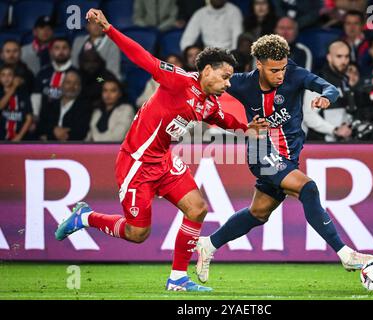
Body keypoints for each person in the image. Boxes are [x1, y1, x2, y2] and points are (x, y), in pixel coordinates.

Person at [55, 8, 268, 292]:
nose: (228, 83)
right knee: (137, 233)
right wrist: (108, 28)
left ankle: (177, 278)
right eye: (225, 76)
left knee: (197, 209)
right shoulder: (178, 80)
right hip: (136, 163)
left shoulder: (208, 103)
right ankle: (85, 217)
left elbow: (222, 119)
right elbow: (143, 57)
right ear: (207, 71)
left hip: (165, 161)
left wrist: (246, 127)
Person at [195, 34, 373, 284]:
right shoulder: (241, 83)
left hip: (287, 158)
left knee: (258, 213)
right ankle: (346, 254)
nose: (280, 75)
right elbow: (203, 82)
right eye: (273, 70)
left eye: (283, 68)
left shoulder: (295, 75)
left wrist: (327, 97)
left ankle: (209, 243)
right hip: (261, 152)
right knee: (308, 188)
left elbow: (330, 88)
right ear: (258, 64)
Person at [306, 40, 353, 141]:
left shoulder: (344, 80)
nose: (344, 61)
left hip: (339, 144)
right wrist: (334, 130)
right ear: (329, 57)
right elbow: (308, 115)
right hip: (319, 145)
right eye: (339, 56)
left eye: (347, 56)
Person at [37, 70, 91, 141]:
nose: (71, 86)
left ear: (80, 87)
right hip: (48, 148)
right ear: (61, 85)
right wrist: (54, 130)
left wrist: (51, 135)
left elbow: (81, 132)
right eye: (68, 82)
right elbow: (41, 127)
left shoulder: (85, 107)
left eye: (76, 83)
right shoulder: (50, 105)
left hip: (72, 148)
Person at [86, 78, 135, 142]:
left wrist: (94, 141)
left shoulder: (127, 109)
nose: (108, 94)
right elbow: (89, 137)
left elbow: (118, 137)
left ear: (120, 94)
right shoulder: (97, 112)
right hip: (94, 150)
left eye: (113, 90)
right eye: (105, 90)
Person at [0, 65, 33, 141]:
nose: (6, 78)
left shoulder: (23, 94)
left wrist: (19, 137)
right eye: (3, 75)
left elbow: (29, 119)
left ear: (15, 77)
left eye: (9, 74)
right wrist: (13, 87)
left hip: (20, 137)